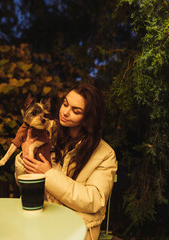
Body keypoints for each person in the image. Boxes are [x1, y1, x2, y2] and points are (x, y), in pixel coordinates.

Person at [15, 83, 117, 240]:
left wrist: (48, 175)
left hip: (78, 230)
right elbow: (22, 182)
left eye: (75, 111)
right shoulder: (45, 130)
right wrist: (26, 154)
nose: (65, 112)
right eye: (65, 104)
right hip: (40, 223)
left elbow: (94, 200)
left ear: (88, 119)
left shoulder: (104, 154)